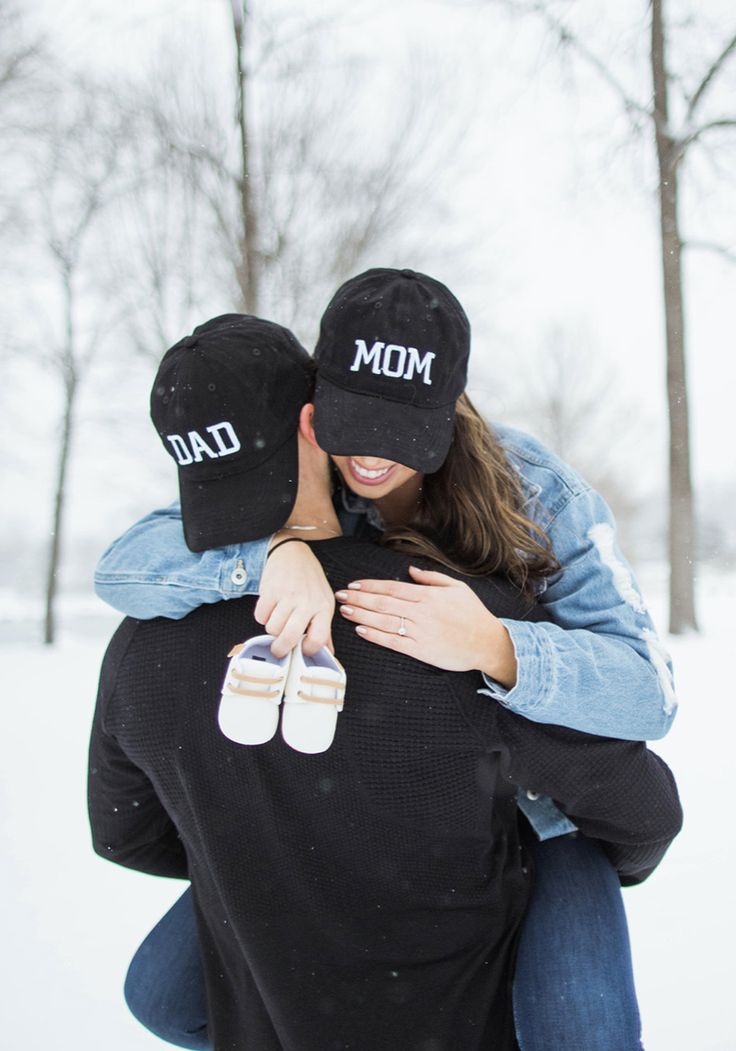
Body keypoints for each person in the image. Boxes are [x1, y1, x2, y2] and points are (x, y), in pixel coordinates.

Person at [95, 270, 677, 1050]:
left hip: (537, 805)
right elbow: (124, 565)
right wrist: (276, 550)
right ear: (313, 404)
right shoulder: (302, 474)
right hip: (396, 818)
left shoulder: (539, 495)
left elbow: (651, 694)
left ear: (451, 409)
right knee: (167, 993)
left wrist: (497, 647)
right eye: (350, 422)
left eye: (400, 431)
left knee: (582, 1024)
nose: (368, 455)